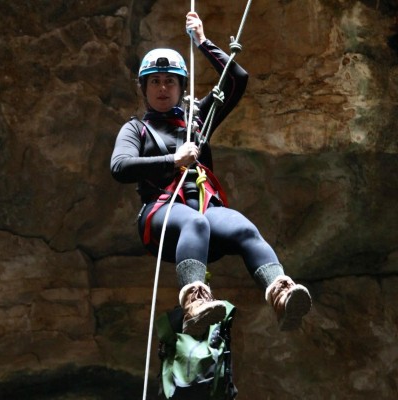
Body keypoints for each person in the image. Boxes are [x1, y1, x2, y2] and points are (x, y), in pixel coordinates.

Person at [110, 11, 312, 337]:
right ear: (144, 89)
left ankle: (280, 293)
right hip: (160, 216)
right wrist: (174, 160)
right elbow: (119, 166)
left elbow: (237, 81)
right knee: (196, 222)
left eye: (170, 81)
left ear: (181, 86)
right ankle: (194, 303)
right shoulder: (137, 129)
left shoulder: (197, 117)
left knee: (244, 227)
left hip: (204, 210)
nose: (163, 88)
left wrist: (203, 42)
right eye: (155, 82)